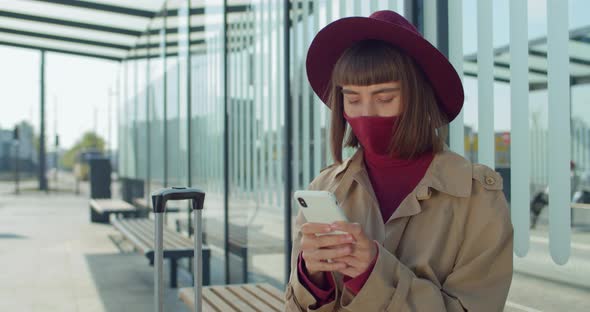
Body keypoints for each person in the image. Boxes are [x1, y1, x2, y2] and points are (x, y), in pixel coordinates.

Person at [284, 10, 513, 311]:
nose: (366, 113)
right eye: (352, 99)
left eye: (385, 98)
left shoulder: (477, 197)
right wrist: (312, 278)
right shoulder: (324, 187)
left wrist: (372, 274)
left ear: (418, 97)